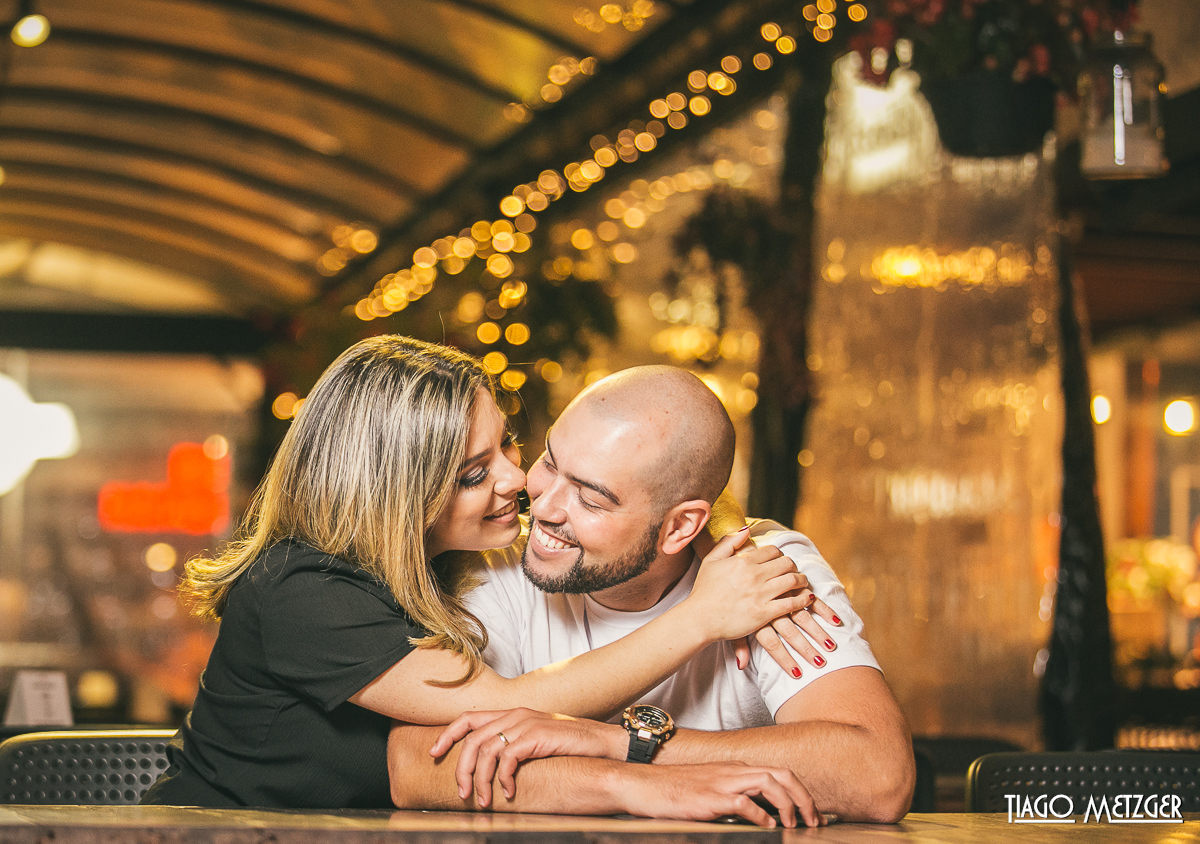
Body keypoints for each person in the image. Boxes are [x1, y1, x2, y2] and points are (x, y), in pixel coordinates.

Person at [141, 336, 821, 822]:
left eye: (507, 443)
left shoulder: (437, 562)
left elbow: (652, 483)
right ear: (394, 493)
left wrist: (720, 538)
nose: (516, 479)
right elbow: (503, 703)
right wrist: (700, 619)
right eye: (473, 474)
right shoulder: (303, 589)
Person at [387, 366, 915, 824]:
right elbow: (414, 765)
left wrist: (614, 742)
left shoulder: (766, 571)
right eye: (549, 462)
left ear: (681, 527)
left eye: (591, 499)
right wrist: (643, 782)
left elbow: (877, 775)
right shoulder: (496, 562)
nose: (543, 507)